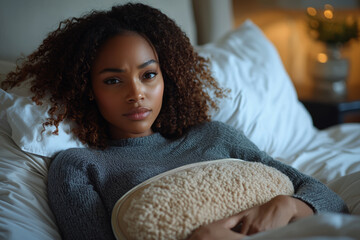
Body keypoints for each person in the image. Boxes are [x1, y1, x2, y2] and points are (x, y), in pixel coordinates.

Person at [1, 3, 348, 240]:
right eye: (112, 80)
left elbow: (331, 200)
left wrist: (284, 205)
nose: (136, 94)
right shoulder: (79, 167)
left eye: (148, 75)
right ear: (87, 89)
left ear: (167, 78)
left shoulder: (215, 135)